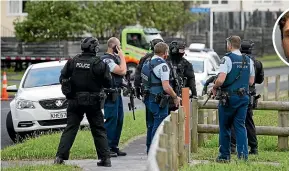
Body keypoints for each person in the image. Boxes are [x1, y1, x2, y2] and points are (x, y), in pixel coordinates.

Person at [54, 37, 112, 167]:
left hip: (74, 101)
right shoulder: (100, 63)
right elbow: (108, 82)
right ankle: (105, 159)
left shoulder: (73, 61)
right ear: (94, 48)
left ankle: (59, 157)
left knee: (70, 128)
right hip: (94, 102)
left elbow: (62, 77)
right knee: (98, 129)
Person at [210, 35, 255, 162]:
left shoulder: (227, 59)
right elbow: (251, 81)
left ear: (229, 45)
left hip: (229, 98)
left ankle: (224, 156)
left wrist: (214, 86)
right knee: (240, 126)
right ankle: (243, 156)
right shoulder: (248, 60)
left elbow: (221, 79)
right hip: (244, 97)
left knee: (225, 127)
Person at [141, 42, 181, 153]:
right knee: (159, 126)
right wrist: (175, 97)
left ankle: (150, 150)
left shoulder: (147, 62)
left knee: (150, 125)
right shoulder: (162, 66)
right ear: (165, 53)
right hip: (158, 100)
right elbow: (166, 86)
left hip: (148, 98)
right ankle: (155, 152)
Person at [230, 40, 264, 155]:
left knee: (234, 121)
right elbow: (259, 80)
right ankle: (253, 148)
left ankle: (232, 147)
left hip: (236, 94)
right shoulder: (257, 63)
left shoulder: (234, 60)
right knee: (249, 122)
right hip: (249, 95)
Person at [134, 38, 164, 154]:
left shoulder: (145, 59)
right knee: (160, 123)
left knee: (150, 123)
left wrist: (137, 90)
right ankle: (156, 149)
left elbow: (138, 75)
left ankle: (149, 148)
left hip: (147, 94)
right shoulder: (162, 60)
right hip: (160, 95)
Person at [101, 37, 127, 157]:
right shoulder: (107, 60)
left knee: (119, 120)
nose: (120, 48)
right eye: (119, 46)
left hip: (117, 92)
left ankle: (114, 146)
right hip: (109, 94)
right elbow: (122, 71)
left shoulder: (114, 58)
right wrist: (122, 56)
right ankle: (107, 148)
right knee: (111, 120)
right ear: (114, 47)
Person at [166, 40, 197, 113]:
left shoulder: (186, 64)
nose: (183, 52)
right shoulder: (164, 62)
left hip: (180, 96)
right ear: (174, 50)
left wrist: (194, 94)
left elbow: (191, 79)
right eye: (181, 50)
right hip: (167, 96)